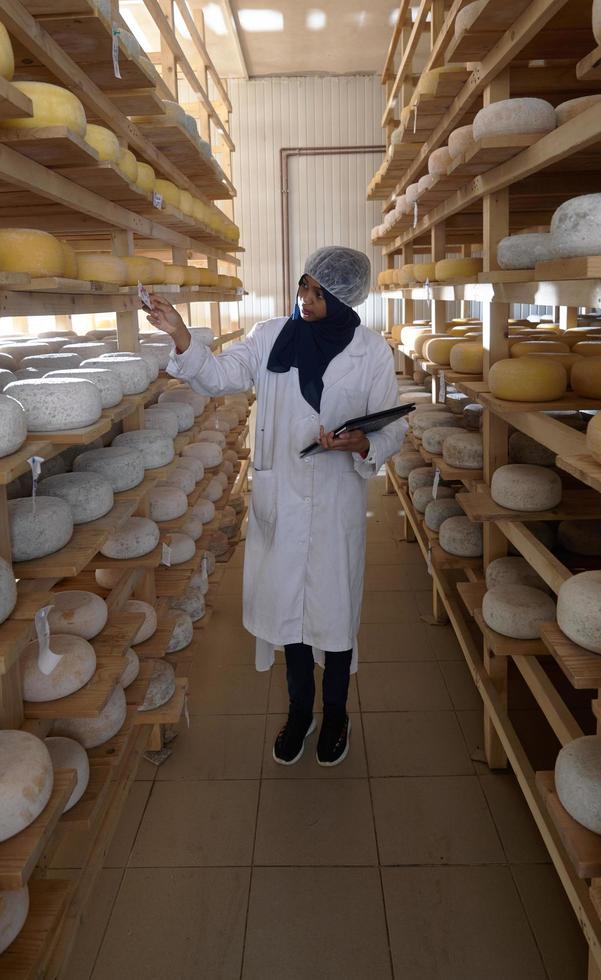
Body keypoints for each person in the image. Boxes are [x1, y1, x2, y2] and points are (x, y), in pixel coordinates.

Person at [145, 246, 403, 767]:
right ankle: (299, 712)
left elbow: (391, 425)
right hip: (281, 498)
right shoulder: (268, 338)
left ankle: (336, 715)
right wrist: (179, 335)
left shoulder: (371, 351)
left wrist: (359, 443)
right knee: (291, 619)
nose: (305, 299)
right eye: (304, 286)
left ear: (345, 299)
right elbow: (217, 377)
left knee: (333, 615)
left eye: (319, 294)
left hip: (335, 504)